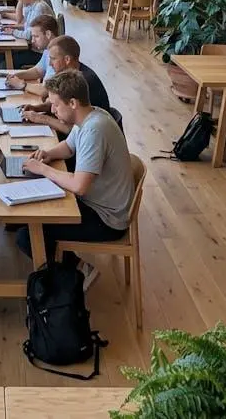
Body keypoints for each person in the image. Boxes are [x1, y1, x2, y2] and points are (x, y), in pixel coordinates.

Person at [18, 70, 136, 289]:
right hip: (98, 203)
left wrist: (44, 170)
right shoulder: (90, 115)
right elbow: (69, 147)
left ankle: (79, 270)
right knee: (26, 216)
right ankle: (67, 269)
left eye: (55, 105)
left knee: (26, 236)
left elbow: (79, 186)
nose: (52, 110)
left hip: (106, 218)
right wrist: (48, 153)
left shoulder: (94, 130)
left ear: (72, 102)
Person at [23, 36, 112, 137]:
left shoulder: (81, 82)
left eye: (53, 59)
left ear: (67, 59)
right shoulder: (68, 75)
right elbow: (60, 103)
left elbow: (72, 129)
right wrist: (37, 108)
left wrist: (41, 118)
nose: (50, 64)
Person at [6, 15, 61, 88]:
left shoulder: (57, 55)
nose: (32, 41)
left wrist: (22, 85)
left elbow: (47, 90)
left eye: (36, 36)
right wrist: (16, 76)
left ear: (48, 34)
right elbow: (38, 71)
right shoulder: (47, 49)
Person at [5, 0, 51, 67]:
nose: (19, 0)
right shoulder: (32, 6)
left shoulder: (39, 8)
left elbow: (29, 35)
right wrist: (14, 28)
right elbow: (27, 26)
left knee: (5, 62)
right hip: (34, 48)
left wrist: (13, 32)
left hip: (41, 53)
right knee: (3, 56)